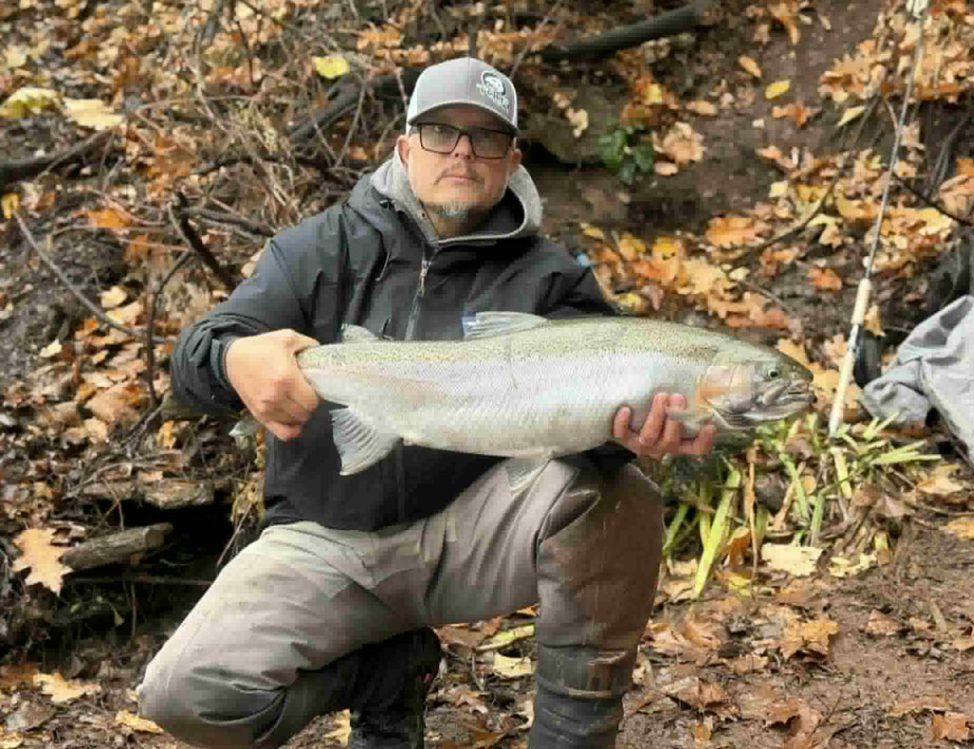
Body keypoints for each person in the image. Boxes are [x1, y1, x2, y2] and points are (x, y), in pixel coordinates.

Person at [138, 57, 715, 749]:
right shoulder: (318, 249)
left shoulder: (552, 280)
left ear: (513, 160)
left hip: (468, 534)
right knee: (182, 694)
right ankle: (383, 673)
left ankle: (573, 735)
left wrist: (632, 435)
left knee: (622, 493)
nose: (464, 152)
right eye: (442, 132)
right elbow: (192, 359)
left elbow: (591, 434)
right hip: (325, 541)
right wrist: (235, 359)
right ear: (405, 146)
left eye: (486, 138)